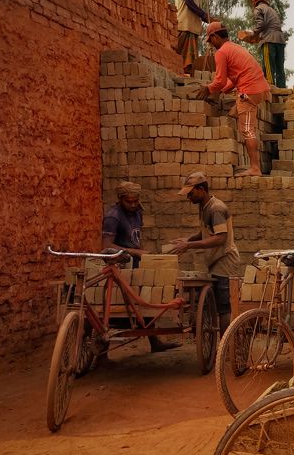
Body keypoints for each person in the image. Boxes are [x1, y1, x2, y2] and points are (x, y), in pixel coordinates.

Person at [102, 181, 176, 352]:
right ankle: (102, 353)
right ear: (120, 199)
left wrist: (142, 253)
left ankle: (154, 341)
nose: (133, 204)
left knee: (146, 297)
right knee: (113, 305)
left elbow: (137, 236)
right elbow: (106, 244)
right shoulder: (113, 216)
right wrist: (134, 252)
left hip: (135, 263)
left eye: (136, 201)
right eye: (129, 201)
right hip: (119, 265)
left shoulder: (137, 211)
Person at [195, 22, 271, 177]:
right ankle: (233, 118)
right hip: (258, 88)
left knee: (247, 130)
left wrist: (208, 88)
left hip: (248, 91)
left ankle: (255, 168)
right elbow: (233, 79)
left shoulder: (222, 52)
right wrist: (221, 91)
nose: (211, 45)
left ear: (215, 37)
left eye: (210, 41)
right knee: (232, 113)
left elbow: (220, 81)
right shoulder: (235, 47)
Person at [170, 172, 240, 333]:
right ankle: (220, 348)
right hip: (215, 262)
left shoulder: (216, 209)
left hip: (224, 263)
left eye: (191, 193)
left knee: (223, 308)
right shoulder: (205, 206)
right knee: (215, 305)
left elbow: (219, 238)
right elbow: (206, 232)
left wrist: (190, 246)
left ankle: (225, 347)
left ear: (201, 189)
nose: (189, 197)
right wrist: (188, 240)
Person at [174, 0, 209, 76]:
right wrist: (204, 15)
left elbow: (197, 7)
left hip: (193, 27)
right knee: (179, 52)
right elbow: (189, 2)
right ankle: (177, 70)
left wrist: (207, 18)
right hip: (184, 24)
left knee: (190, 58)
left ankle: (186, 72)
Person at [247, 0, 286, 88]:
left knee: (268, 67)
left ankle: (270, 87)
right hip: (280, 40)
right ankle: (281, 88)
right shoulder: (272, 9)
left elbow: (261, 24)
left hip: (269, 40)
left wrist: (253, 33)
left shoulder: (258, 9)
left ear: (255, 1)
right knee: (280, 67)